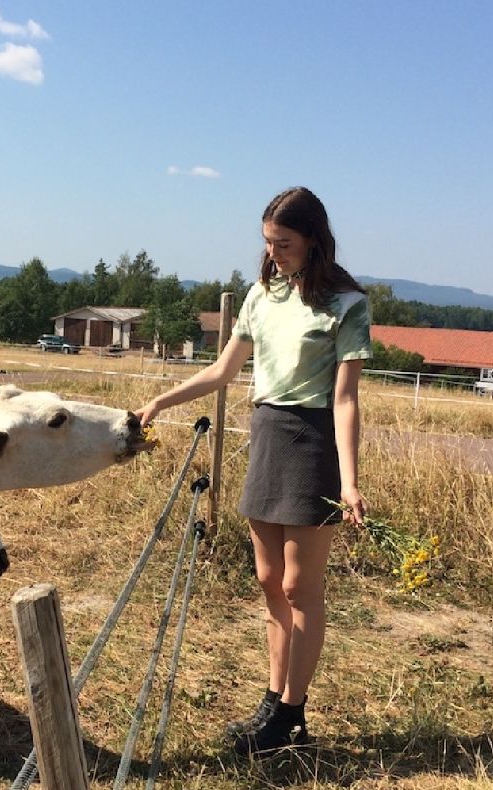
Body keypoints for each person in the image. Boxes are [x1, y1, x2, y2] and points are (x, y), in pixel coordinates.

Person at [134, 186, 371, 754]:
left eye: (284, 243)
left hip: (313, 442)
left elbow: (345, 400)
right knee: (268, 582)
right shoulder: (260, 295)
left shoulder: (346, 303)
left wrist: (351, 479)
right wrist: (162, 402)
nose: (273, 254)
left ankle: (292, 714)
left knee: (299, 585)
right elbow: (222, 372)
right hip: (267, 435)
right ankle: (272, 701)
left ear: (314, 240)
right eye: (267, 243)